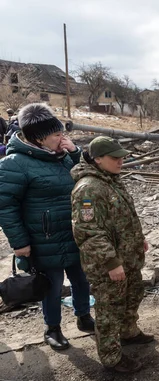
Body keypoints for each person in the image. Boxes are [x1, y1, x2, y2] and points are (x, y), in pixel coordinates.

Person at [0, 103, 93, 351]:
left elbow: (88, 176)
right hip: (44, 239)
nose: (62, 138)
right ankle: (52, 328)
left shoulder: (63, 157)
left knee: (82, 280)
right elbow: (6, 207)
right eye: (56, 134)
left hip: (74, 233)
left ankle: (84, 316)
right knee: (50, 287)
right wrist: (20, 244)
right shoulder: (14, 164)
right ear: (39, 138)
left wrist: (75, 152)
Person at [71, 136, 153, 373]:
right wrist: (111, 262)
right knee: (110, 309)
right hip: (108, 264)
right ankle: (111, 356)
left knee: (133, 293)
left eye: (122, 157)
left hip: (127, 257)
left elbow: (122, 218)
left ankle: (129, 332)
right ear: (97, 159)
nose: (121, 161)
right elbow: (88, 231)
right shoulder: (88, 188)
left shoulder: (110, 180)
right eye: (115, 158)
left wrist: (138, 240)